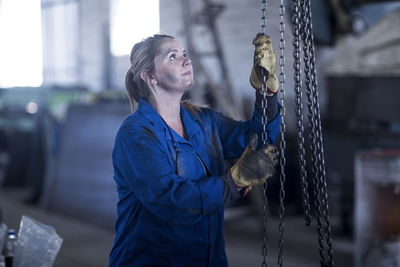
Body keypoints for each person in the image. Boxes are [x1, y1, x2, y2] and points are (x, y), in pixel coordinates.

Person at [109, 33, 281, 267]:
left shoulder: (203, 121)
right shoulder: (136, 134)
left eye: (184, 54)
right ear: (150, 76)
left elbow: (258, 140)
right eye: (173, 57)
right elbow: (170, 201)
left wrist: (266, 91)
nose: (186, 61)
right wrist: (234, 181)